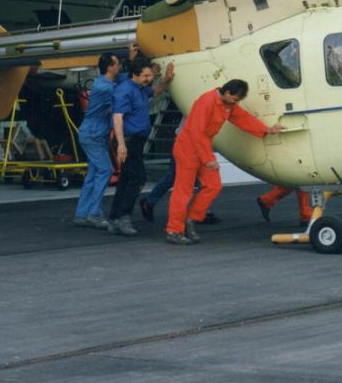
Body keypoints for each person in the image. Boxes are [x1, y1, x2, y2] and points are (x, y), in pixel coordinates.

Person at [165, 79, 283, 245]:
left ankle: (190, 219)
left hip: (201, 147)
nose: (237, 103)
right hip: (188, 149)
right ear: (227, 93)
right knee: (183, 191)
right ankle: (174, 230)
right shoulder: (206, 101)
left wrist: (267, 130)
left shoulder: (228, 104)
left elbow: (243, 119)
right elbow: (197, 133)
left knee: (213, 186)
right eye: (236, 99)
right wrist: (208, 159)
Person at [107, 56, 174, 236]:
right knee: (138, 177)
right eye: (145, 76)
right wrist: (121, 144)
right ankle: (123, 216)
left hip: (135, 140)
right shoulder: (124, 91)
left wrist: (166, 80)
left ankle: (115, 216)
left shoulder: (141, 88)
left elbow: (155, 91)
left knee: (127, 178)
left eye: (149, 75)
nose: (149, 79)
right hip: (128, 140)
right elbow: (117, 118)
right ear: (134, 74)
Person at [73, 52, 123, 229]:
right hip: (94, 134)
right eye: (117, 64)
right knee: (105, 171)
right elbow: (123, 94)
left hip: (92, 133)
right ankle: (94, 213)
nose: (119, 66)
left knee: (94, 173)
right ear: (109, 67)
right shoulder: (106, 88)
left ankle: (82, 213)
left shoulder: (102, 83)